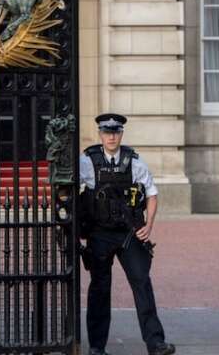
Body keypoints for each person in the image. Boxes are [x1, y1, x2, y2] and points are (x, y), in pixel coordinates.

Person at [78, 113, 175, 355]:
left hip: (129, 234)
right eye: (107, 132)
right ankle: (97, 348)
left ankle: (156, 343)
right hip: (99, 233)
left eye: (115, 132)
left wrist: (149, 225)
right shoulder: (87, 161)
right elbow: (67, 189)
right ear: (100, 134)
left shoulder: (135, 162)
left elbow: (152, 194)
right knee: (100, 288)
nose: (111, 136)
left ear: (121, 134)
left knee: (142, 283)